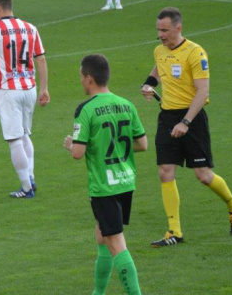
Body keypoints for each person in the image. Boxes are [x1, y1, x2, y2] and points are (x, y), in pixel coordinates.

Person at [141, 7, 232, 247]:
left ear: (178, 28)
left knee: (204, 176)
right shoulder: (160, 50)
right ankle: (174, 232)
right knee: (165, 171)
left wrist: (186, 122)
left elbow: (203, 91)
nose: (160, 35)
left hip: (192, 119)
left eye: (165, 30)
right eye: (158, 30)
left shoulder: (195, 53)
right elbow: (157, 69)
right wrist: (148, 85)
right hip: (167, 117)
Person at [63, 54, 147, 295]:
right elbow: (142, 145)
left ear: (89, 79)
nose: (80, 81)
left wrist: (72, 144)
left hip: (104, 186)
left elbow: (78, 153)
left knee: (115, 242)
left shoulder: (86, 109)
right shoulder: (126, 104)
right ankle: (97, 293)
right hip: (125, 181)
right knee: (102, 235)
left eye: (81, 77)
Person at [0, 0, 49, 198]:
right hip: (30, 88)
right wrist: (44, 88)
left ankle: (26, 187)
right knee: (25, 134)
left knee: (14, 139)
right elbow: (41, 60)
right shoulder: (31, 28)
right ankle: (31, 177)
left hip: (9, 89)